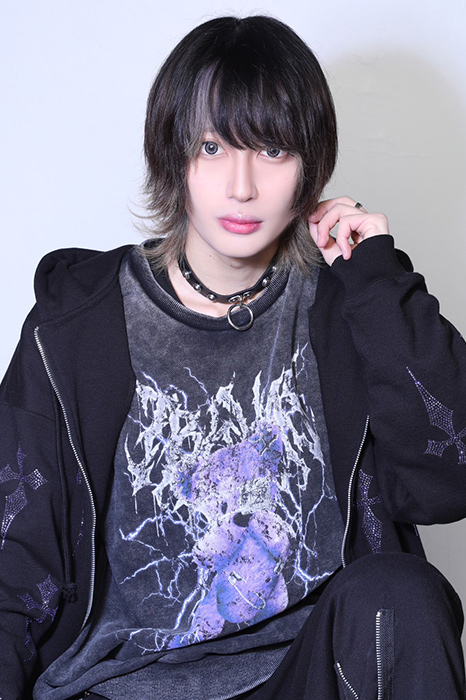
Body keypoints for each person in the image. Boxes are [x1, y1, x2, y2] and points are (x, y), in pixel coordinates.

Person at [0, 14, 465, 700]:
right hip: (123, 689)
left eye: (272, 149)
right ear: (171, 154)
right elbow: (12, 566)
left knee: (401, 593)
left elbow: (452, 478)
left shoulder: (347, 311)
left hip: (305, 679)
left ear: (310, 163)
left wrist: (377, 281)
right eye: (212, 147)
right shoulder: (75, 327)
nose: (242, 186)